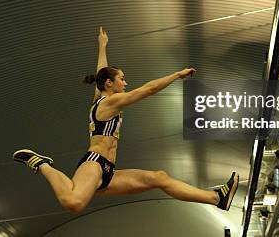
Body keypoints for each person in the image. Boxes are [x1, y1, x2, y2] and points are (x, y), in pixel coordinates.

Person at [13, 27, 239, 214]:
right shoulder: (110, 103)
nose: (126, 83)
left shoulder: (101, 97)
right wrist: (177, 75)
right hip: (94, 162)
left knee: (158, 178)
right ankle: (41, 164)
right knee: (73, 202)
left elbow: (101, 71)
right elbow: (149, 89)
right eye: (122, 79)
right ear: (110, 84)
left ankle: (216, 198)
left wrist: (102, 45)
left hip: (108, 170)